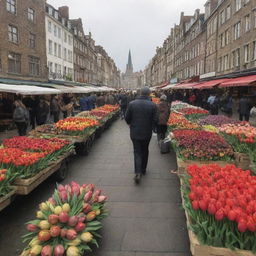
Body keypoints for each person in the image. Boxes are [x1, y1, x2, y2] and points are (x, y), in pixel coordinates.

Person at [125, 87, 158, 184]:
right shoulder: (153, 105)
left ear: (140, 93)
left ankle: (138, 172)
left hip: (135, 132)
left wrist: (132, 123)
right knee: (145, 150)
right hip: (147, 132)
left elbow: (127, 118)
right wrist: (152, 126)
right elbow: (156, 120)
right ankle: (143, 169)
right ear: (149, 94)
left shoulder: (132, 104)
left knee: (137, 152)